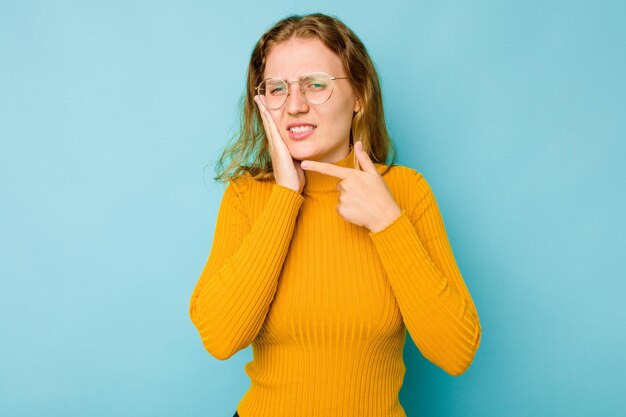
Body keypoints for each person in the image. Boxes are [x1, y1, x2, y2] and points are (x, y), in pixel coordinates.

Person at [189, 13, 482, 417]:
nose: (295, 105)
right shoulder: (247, 197)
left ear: (359, 96)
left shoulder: (405, 192)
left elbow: (455, 351)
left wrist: (387, 223)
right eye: (277, 89)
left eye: (316, 85)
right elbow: (221, 338)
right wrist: (286, 196)